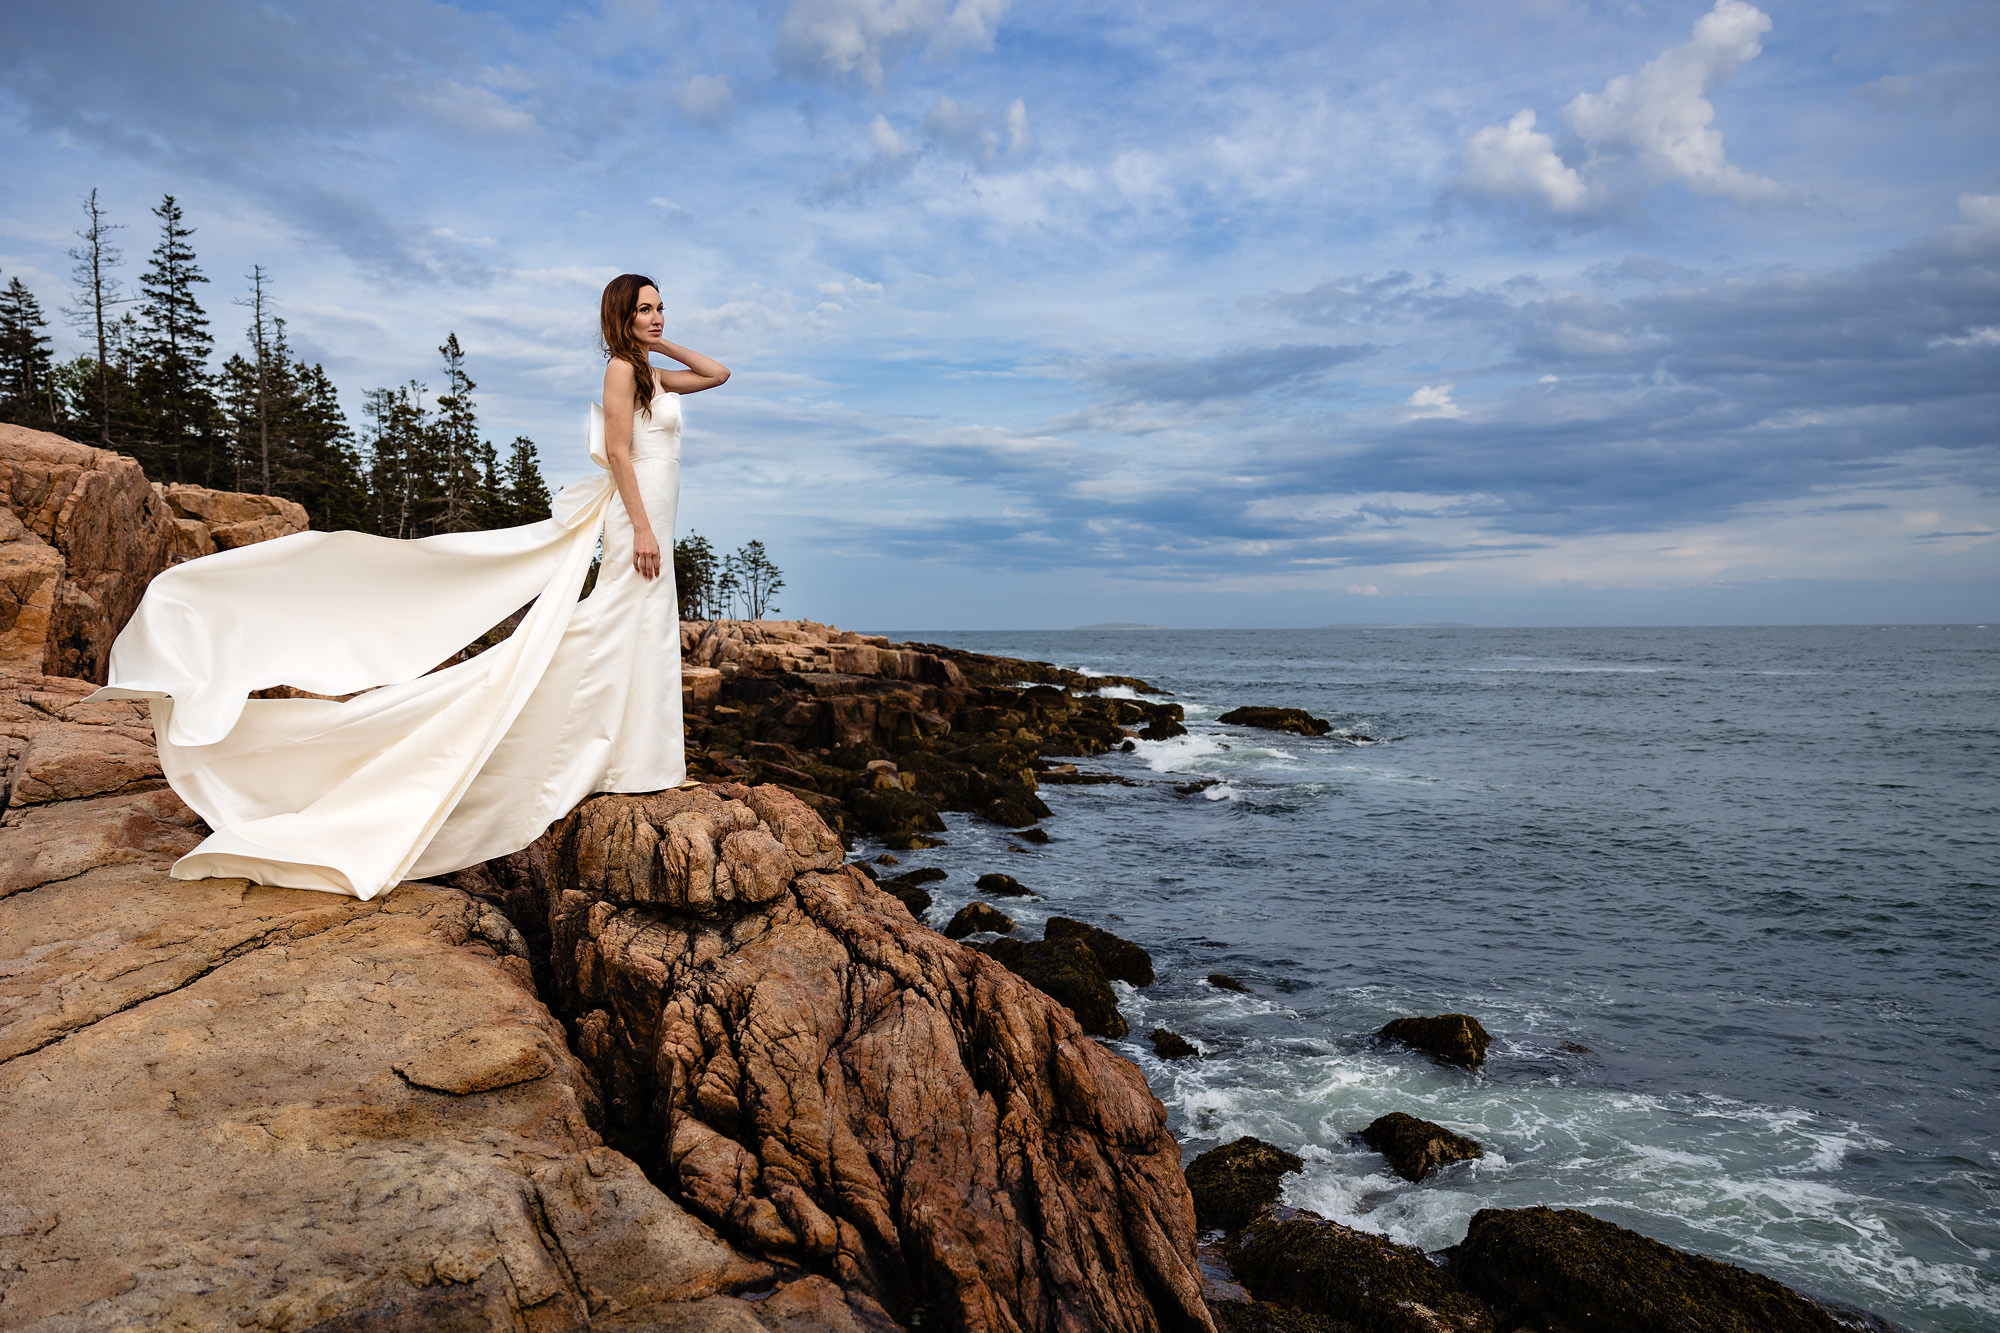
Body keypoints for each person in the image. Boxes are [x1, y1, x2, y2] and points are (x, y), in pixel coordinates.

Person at [89, 273, 730, 902]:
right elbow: (619, 455)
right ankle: (601, 749)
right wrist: (642, 528)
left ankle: (640, 759)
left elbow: (717, 373)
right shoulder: (621, 371)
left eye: (661, 308)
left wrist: (657, 345)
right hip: (637, 517)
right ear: (621, 316)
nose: (658, 316)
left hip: (655, 513)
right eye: (645, 309)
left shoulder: (646, 372)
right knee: (617, 621)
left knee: (639, 626)